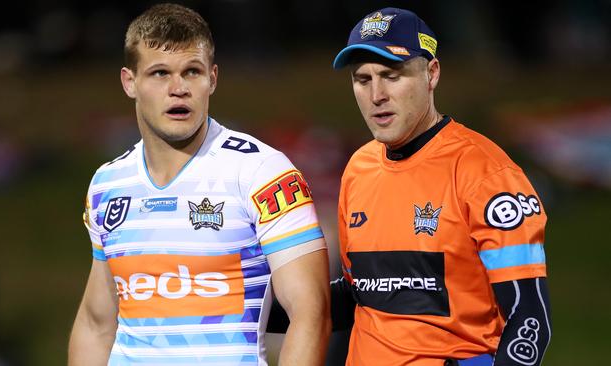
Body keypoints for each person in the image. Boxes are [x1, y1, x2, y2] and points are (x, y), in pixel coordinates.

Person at [67, 4, 330, 365]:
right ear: (130, 82)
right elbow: (96, 323)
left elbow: (311, 312)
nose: (178, 89)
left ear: (213, 78)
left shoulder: (262, 172)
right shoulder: (107, 183)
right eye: (160, 73)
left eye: (192, 71)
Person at [331, 7, 552, 366]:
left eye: (392, 75)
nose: (377, 95)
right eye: (363, 79)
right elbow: (360, 293)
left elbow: (529, 317)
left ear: (431, 74)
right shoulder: (358, 168)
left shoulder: (487, 174)